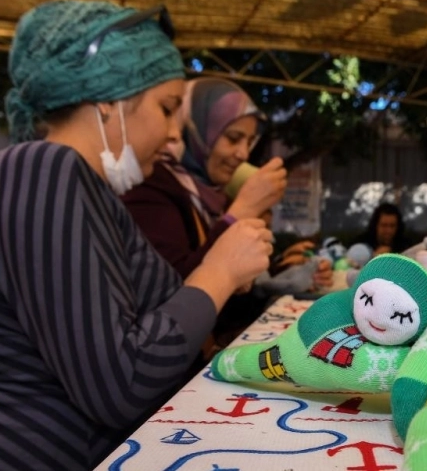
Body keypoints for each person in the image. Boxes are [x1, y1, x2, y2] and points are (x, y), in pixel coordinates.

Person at [0, 1, 273, 471]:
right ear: (108, 101)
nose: (175, 136)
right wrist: (218, 271)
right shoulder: (42, 168)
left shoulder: (91, 192)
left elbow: (158, 320)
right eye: (168, 108)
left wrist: (223, 276)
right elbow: (120, 384)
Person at [121, 77, 331, 345]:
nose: (243, 154)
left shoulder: (208, 197)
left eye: (250, 141)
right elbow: (174, 292)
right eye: (233, 138)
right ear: (193, 129)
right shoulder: (152, 185)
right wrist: (244, 210)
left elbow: (229, 304)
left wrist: (286, 272)